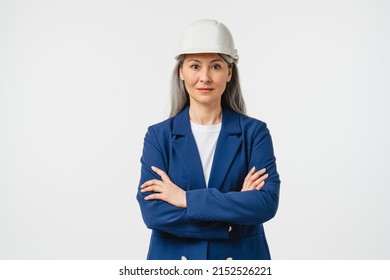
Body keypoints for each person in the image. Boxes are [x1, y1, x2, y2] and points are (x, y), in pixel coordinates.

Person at [136, 19, 280, 260]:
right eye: (194, 66)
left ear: (229, 73)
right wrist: (233, 214)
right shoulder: (158, 136)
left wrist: (184, 199)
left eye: (215, 66)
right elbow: (153, 213)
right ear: (181, 72)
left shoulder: (255, 133)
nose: (205, 77)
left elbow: (265, 203)